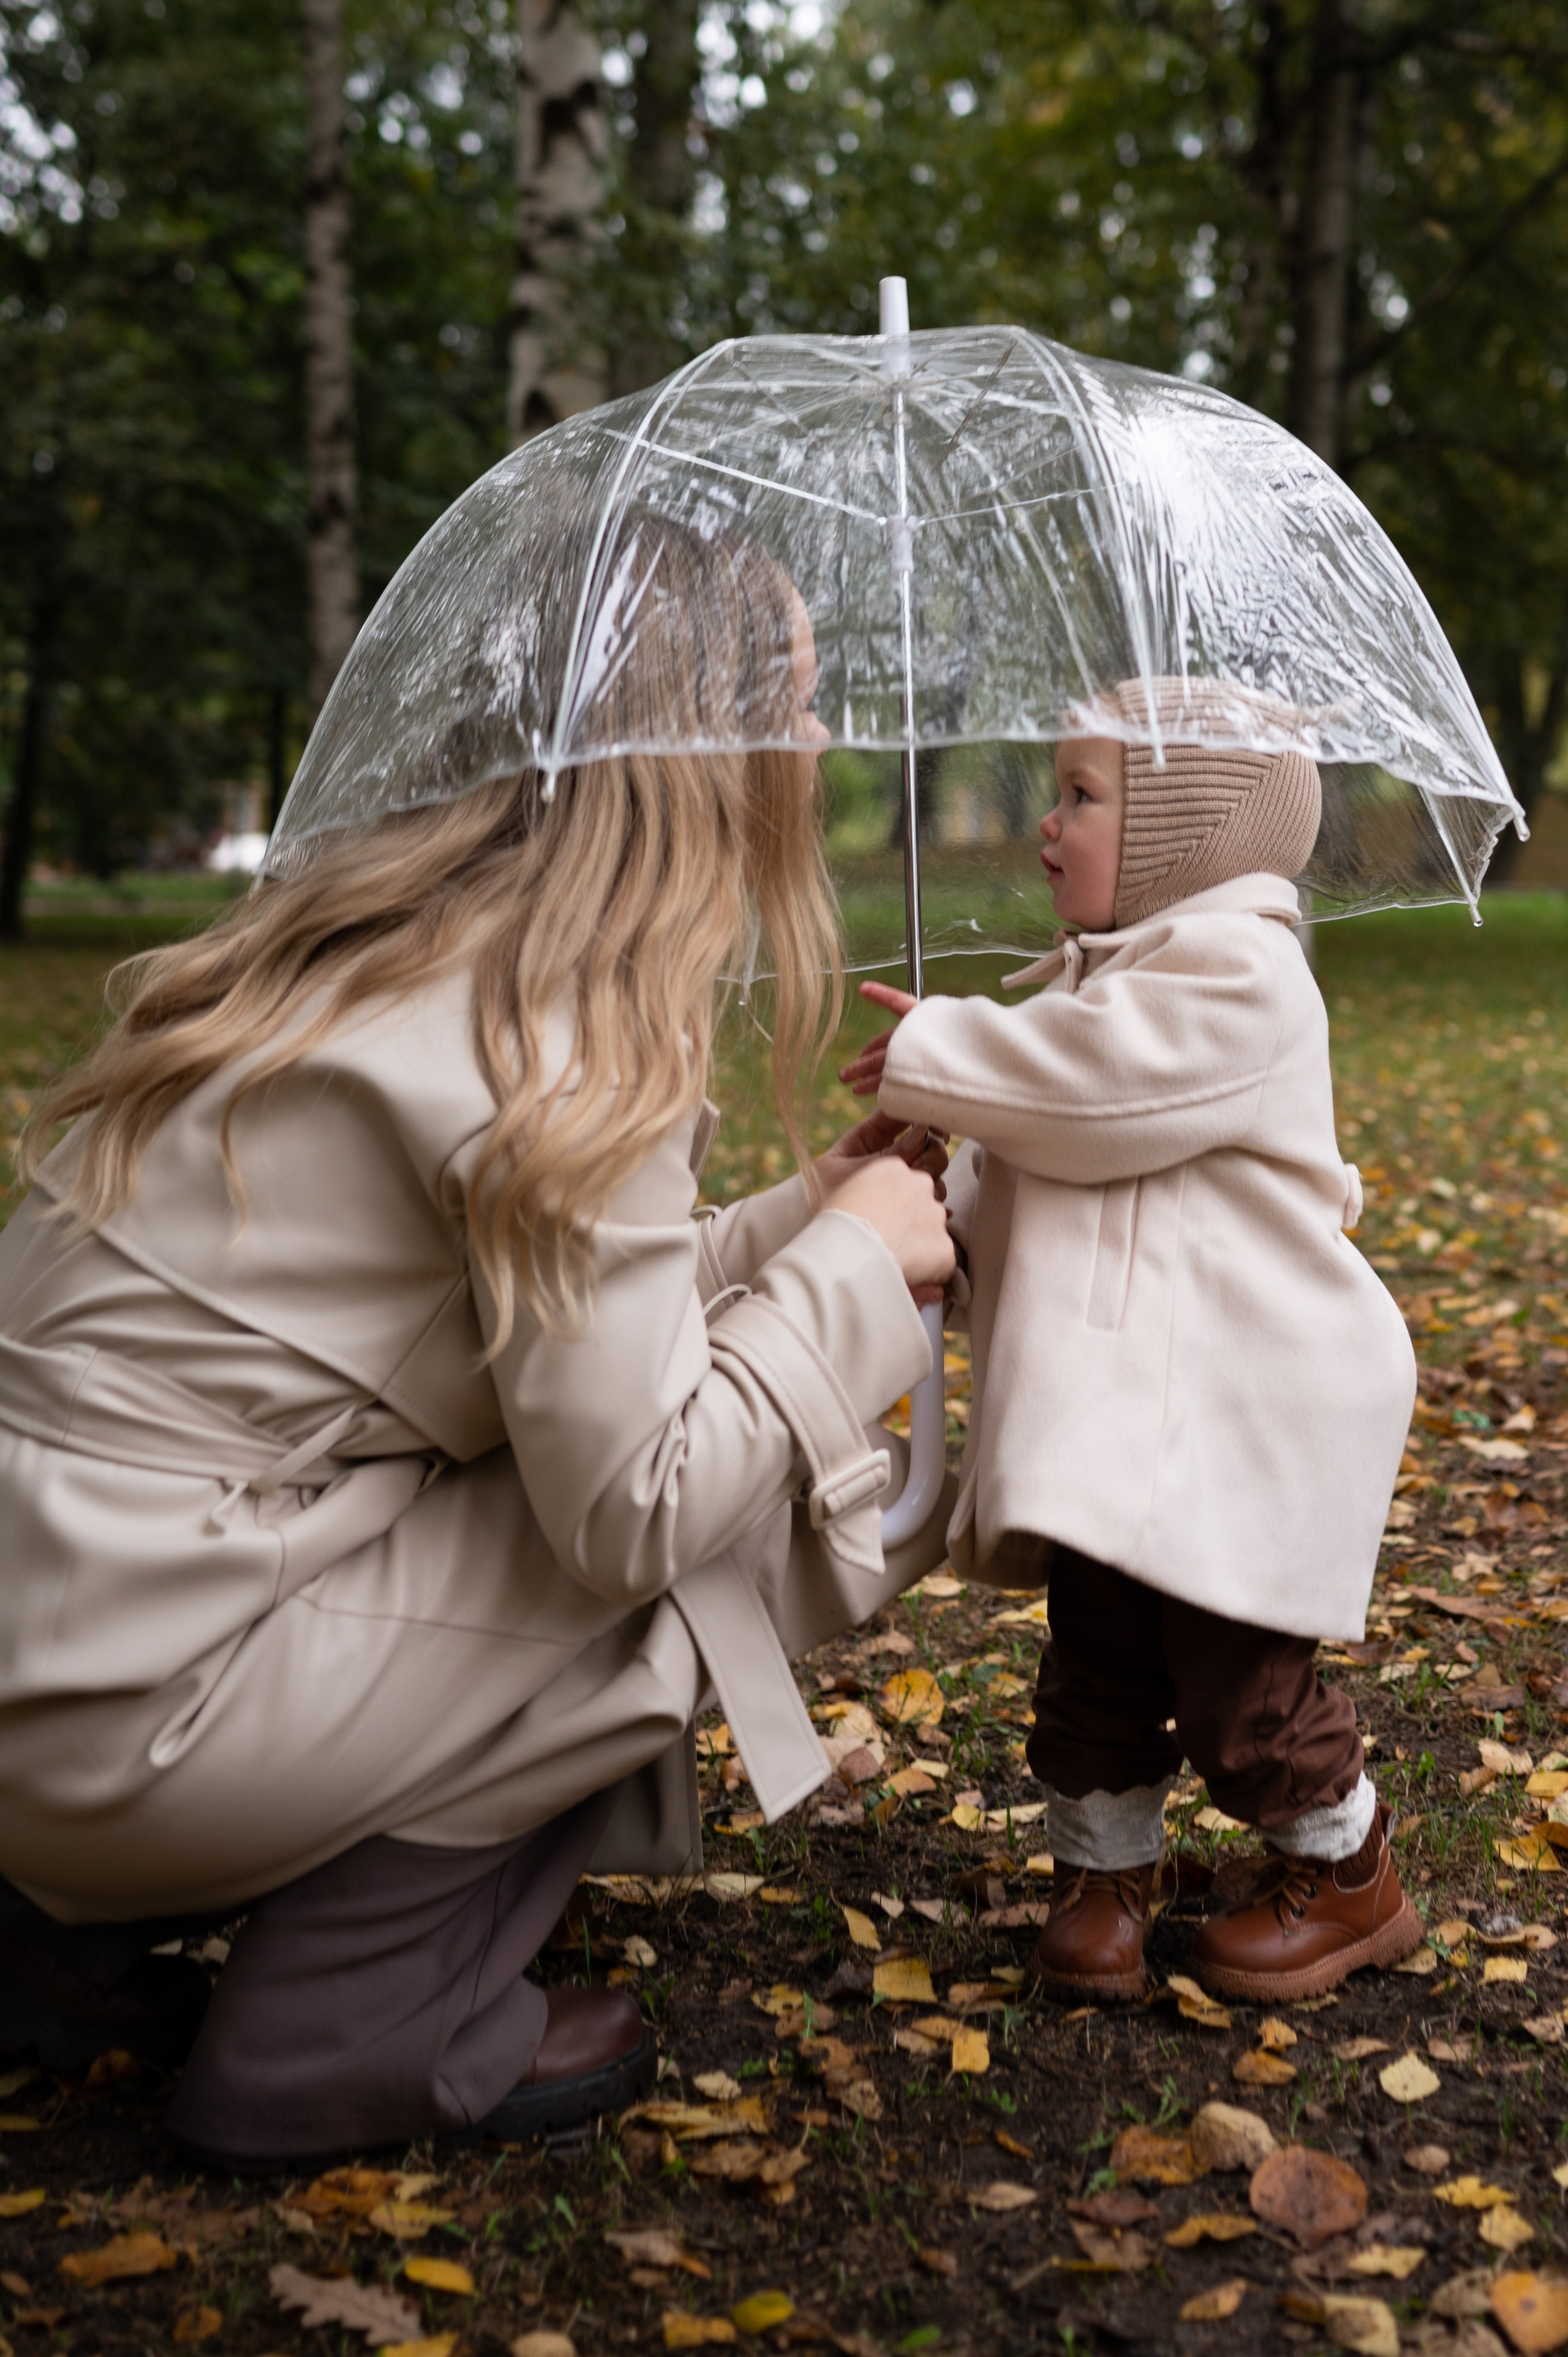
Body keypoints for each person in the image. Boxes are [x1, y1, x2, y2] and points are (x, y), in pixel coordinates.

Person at [0, 516, 954, 2166]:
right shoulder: (565, 1033)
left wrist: (814, 1215)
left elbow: (545, 1331)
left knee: (620, 1474)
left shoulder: (377, 941)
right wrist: (857, 1276)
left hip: (62, 1641)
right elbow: (635, 1501)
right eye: (795, 701)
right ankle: (350, 2021)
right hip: (130, 1704)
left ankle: (53, 1944)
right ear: (701, 748)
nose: (817, 741)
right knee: (698, 1553)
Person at [840, 677, 1421, 2004]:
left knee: (1239, 1690)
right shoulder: (1089, 997)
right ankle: (1103, 1879)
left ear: (1179, 835)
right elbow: (1038, 1180)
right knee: (1093, 1669)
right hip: (1111, 1428)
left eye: (1084, 796)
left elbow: (1100, 1090)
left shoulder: (1240, 977)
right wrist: (937, 1208)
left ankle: (1346, 1868)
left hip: (1236, 1422)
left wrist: (947, 1048)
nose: (1047, 825)